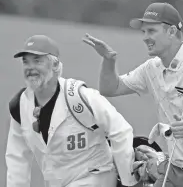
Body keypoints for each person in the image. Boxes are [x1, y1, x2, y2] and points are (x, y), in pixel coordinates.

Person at [83, 2, 183, 187]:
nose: (145, 37)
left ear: (171, 31)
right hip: (177, 171)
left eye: (151, 31)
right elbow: (111, 88)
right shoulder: (151, 68)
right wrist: (109, 61)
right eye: (144, 32)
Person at [5, 35, 139, 187]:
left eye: (37, 60)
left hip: (96, 176)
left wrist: (129, 181)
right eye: (25, 61)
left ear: (55, 65)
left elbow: (120, 130)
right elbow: (17, 158)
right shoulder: (20, 106)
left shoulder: (79, 96)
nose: (30, 67)